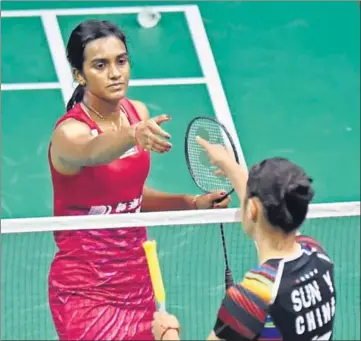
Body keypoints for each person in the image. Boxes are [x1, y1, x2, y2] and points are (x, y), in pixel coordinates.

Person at [47, 20, 230, 341]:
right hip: (85, 289)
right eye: (100, 65)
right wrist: (133, 134)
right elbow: (92, 152)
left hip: (137, 279)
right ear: (79, 74)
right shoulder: (69, 134)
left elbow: (130, 198)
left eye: (121, 61)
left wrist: (190, 203)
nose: (115, 73)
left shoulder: (137, 112)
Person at [152, 137, 336, 341]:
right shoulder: (318, 255)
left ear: (253, 208)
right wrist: (229, 166)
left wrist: (167, 333)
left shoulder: (253, 296)